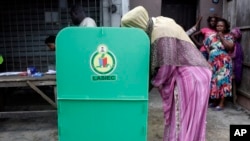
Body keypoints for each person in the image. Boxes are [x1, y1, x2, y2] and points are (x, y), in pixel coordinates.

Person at [121, 6, 212, 141]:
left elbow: (166, 65)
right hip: (200, 74)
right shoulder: (161, 21)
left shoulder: (160, 32)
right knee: (192, 121)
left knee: (180, 120)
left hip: (188, 76)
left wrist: (151, 83)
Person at [204, 18, 235, 110]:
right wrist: (211, 55)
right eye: (218, 26)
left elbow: (229, 47)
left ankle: (221, 103)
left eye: (221, 26)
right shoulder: (211, 37)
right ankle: (214, 101)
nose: (219, 27)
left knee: (223, 82)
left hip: (224, 64)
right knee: (214, 81)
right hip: (213, 63)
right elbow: (206, 46)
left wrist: (221, 37)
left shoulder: (229, 37)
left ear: (225, 27)